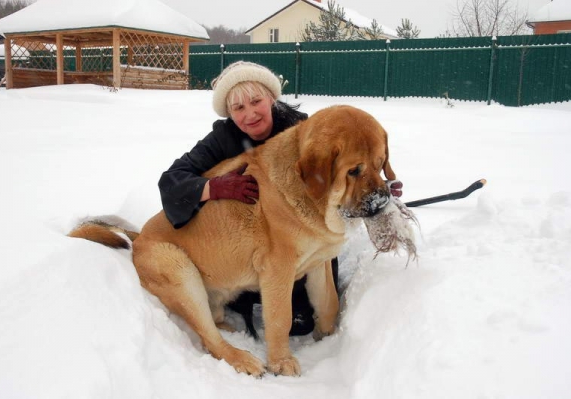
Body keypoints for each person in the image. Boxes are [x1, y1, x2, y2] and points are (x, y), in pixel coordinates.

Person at [158, 61, 402, 338]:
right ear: (229, 113)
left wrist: (373, 189)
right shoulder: (221, 139)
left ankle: (307, 301)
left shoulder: (308, 132)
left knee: (306, 310)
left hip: (306, 239)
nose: (250, 114)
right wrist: (214, 187)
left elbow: (351, 167)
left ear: (271, 98)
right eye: (238, 108)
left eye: (256, 101)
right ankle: (250, 298)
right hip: (250, 243)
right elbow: (171, 181)